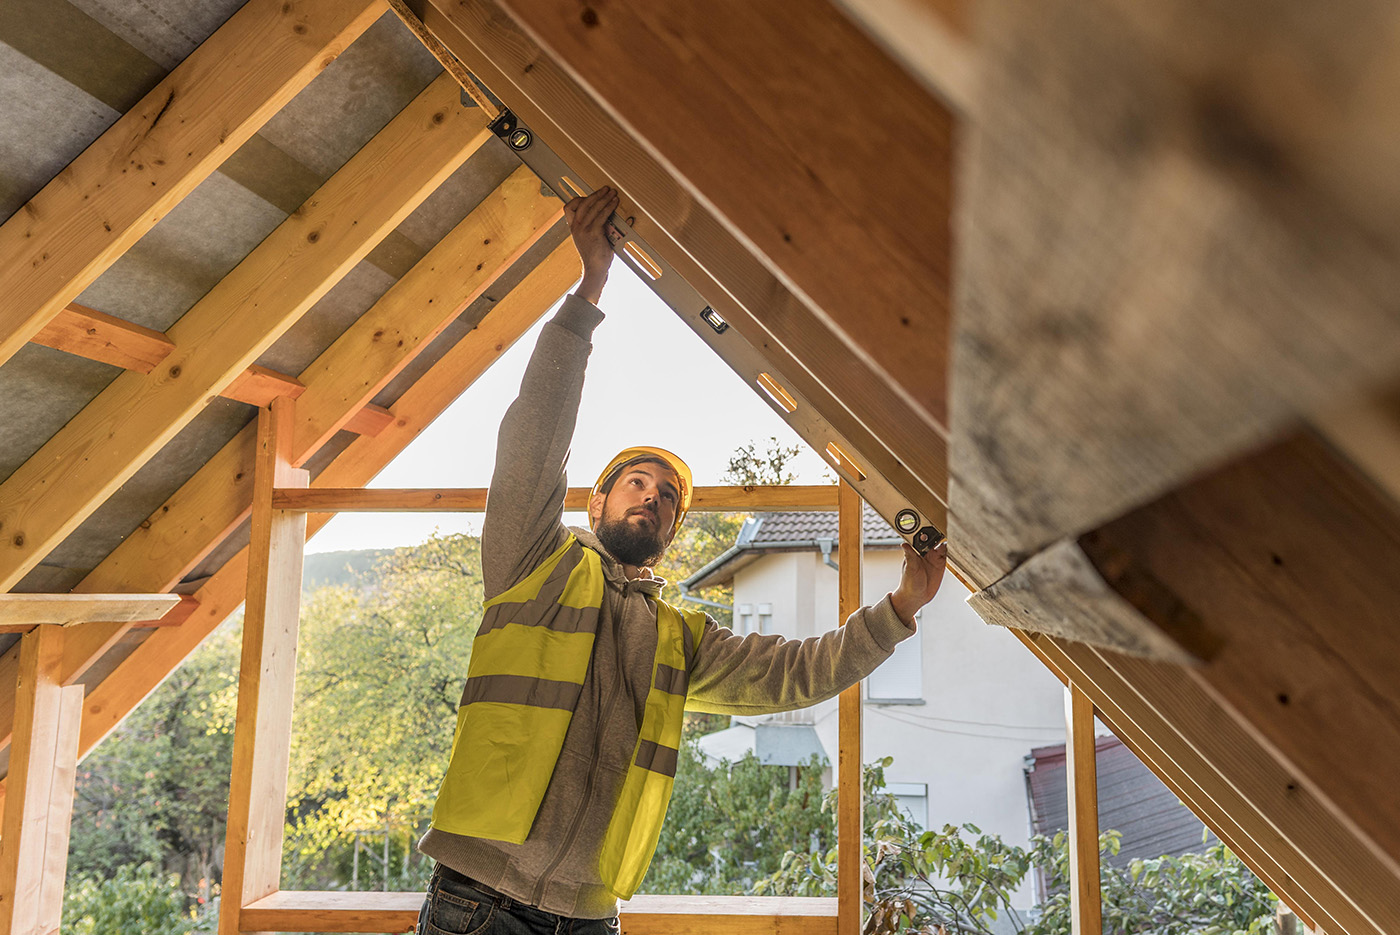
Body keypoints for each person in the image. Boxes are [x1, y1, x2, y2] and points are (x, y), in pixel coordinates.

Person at [415, 186, 948, 933]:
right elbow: (531, 440)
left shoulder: (677, 639)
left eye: (667, 496)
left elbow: (795, 671)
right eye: (635, 482)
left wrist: (899, 611)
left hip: (589, 917)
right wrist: (588, 292)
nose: (653, 498)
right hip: (477, 898)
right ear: (594, 504)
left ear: (671, 530)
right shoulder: (532, 560)